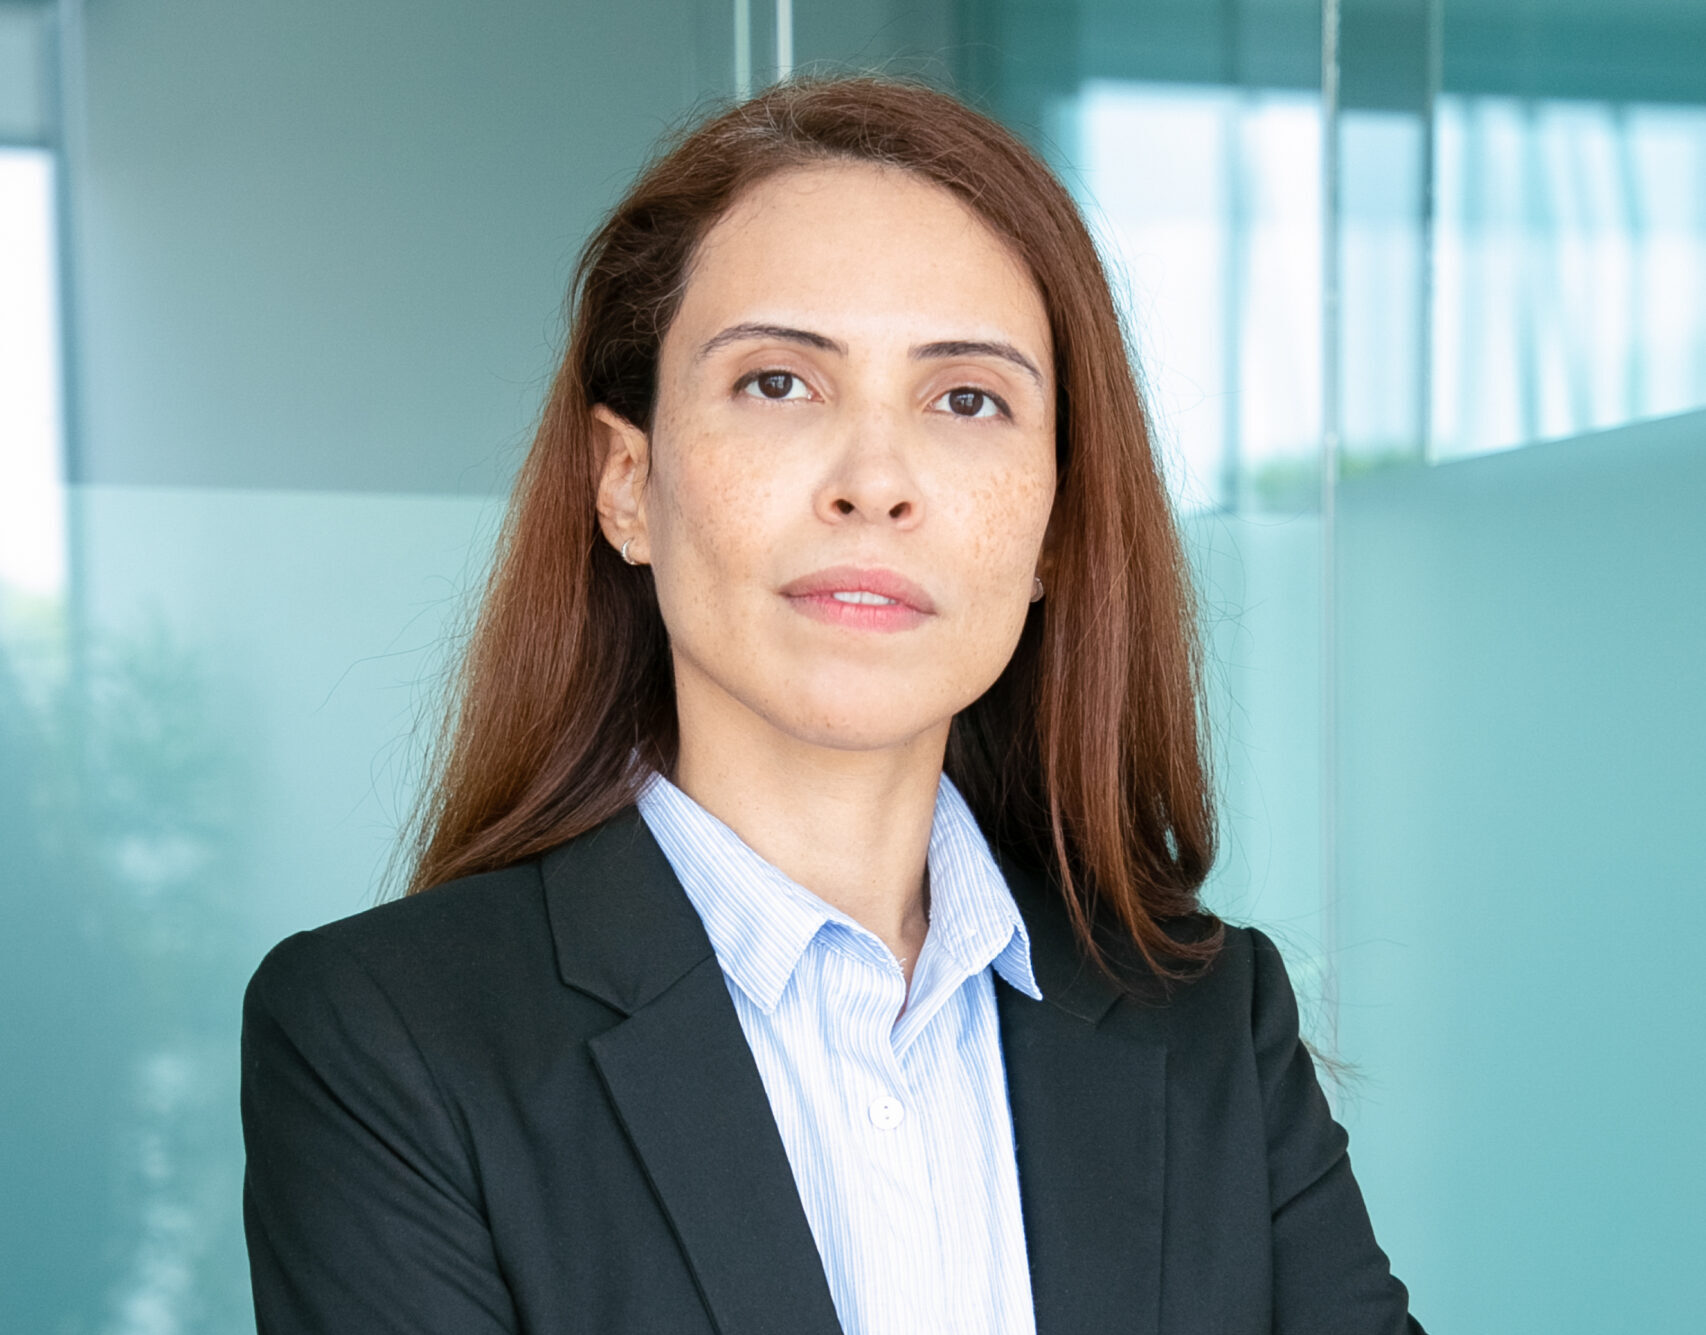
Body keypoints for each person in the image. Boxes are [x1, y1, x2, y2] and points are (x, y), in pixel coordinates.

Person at [240, 77, 1423, 1334]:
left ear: (1052, 533)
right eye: (778, 383)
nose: (875, 482)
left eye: (965, 398)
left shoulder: (1207, 1025)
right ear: (628, 483)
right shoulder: (389, 1042)